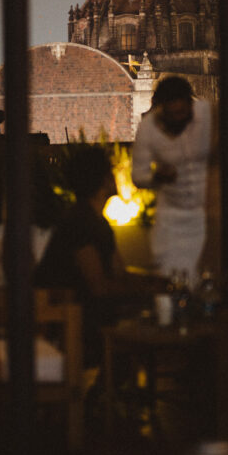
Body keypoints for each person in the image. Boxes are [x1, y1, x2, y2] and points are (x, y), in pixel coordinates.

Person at [35, 146, 163, 368]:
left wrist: (155, 282)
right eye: (112, 172)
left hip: (87, 309)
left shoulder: (97, 222)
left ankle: (108, 391)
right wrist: (147, 289)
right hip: (70, 315)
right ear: (104, 180)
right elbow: (99, 286)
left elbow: (119, 272)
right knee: (143, 319)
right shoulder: (80, 222)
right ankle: (107, 392)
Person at [131, 76, 228, 285]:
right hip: (172, 217)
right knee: (171, 278)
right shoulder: (148, 129)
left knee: (212, 276)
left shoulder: (209, 115)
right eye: (172, 115)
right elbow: (138, 176)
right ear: (161, 111)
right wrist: (157, 177)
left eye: (182, 113)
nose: (178, 119)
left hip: (210, 212)